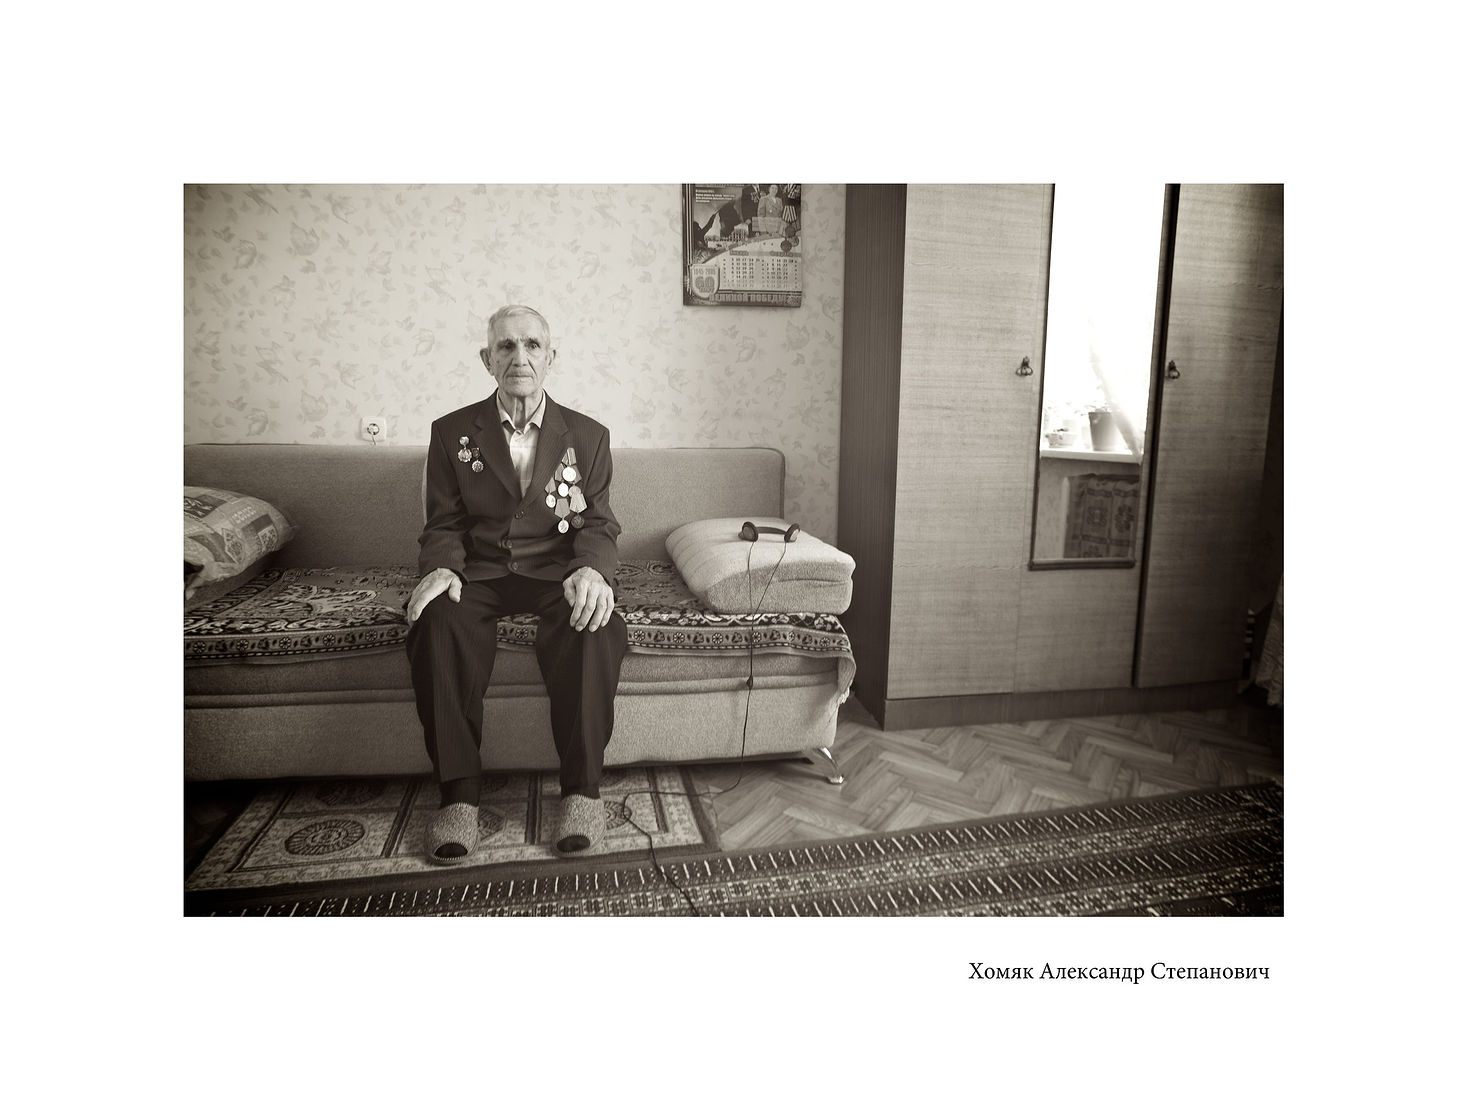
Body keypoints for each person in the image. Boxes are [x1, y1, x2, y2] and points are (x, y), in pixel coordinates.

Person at [404, 305, 628, 863]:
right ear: (488, 359)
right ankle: (459, 798)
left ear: (551, 357)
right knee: (437, 619)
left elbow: (598, 522)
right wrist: (441, 567)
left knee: (596, 625)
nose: (519, 357)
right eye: (505, 346)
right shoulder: (452, 432)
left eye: (531, 345)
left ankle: (581, 793)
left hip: (557, 572)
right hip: (480, 572)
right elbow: (443, 523)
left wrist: (592, 569)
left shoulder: (588, 435)